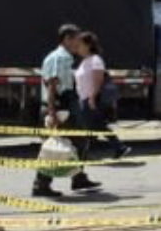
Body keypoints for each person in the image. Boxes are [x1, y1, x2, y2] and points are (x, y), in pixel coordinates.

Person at [33, 24, 100, 198]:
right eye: (77, 40)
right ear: (67, 39)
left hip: (63, 107)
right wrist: (52, 113)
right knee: (57, 146)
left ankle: (78, 178)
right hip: (59, 108)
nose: (79, 44)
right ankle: (42, 184)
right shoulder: (60, 58)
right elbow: (52, 86)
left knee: (74, 142)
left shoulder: (64, 57)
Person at [74, 31, 131, 160]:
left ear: (88, 45)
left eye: (80, 45)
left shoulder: (95, 60)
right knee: (94, 126)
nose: (77, 48)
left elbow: (98, 79)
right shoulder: (85, 61)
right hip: (85, 99)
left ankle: (82, 155)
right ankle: (119, 147)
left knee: (88, 127)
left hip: (90, 100)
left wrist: (92, 97)